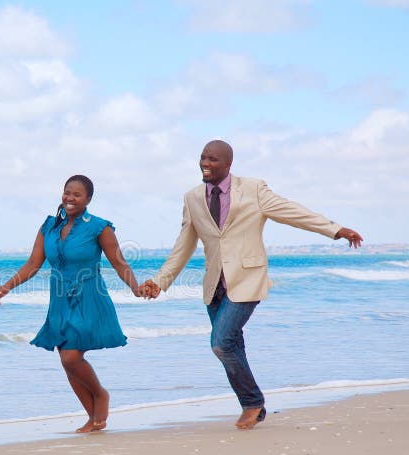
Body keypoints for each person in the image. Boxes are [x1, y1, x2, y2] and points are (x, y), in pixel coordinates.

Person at [140, 140, 363, 430]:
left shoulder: (254, 189)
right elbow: (183, 245)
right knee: (233, 345)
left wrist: (334, 230)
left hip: (247, 278)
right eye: (203, 158)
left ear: (228, 164)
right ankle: (252, 406)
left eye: (213, 159)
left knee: (221, 343)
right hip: (214, 285)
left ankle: (253, 402)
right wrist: (161, 281)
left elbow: (291, 211)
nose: (205, 163)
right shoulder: (193, 198)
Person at [0, 175, 142, 433]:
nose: (70, 198)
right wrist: (7, 286)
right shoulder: (48, 226)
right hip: (59, 300)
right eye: (67, 192)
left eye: (77, 195)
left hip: (89, 297)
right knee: (66, 359)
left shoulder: (99, 227)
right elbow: (33, 264)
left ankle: (101, 395)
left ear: (88, 200)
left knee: (72, 357)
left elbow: (119, 263)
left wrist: (136, 287)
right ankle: (93, 416)